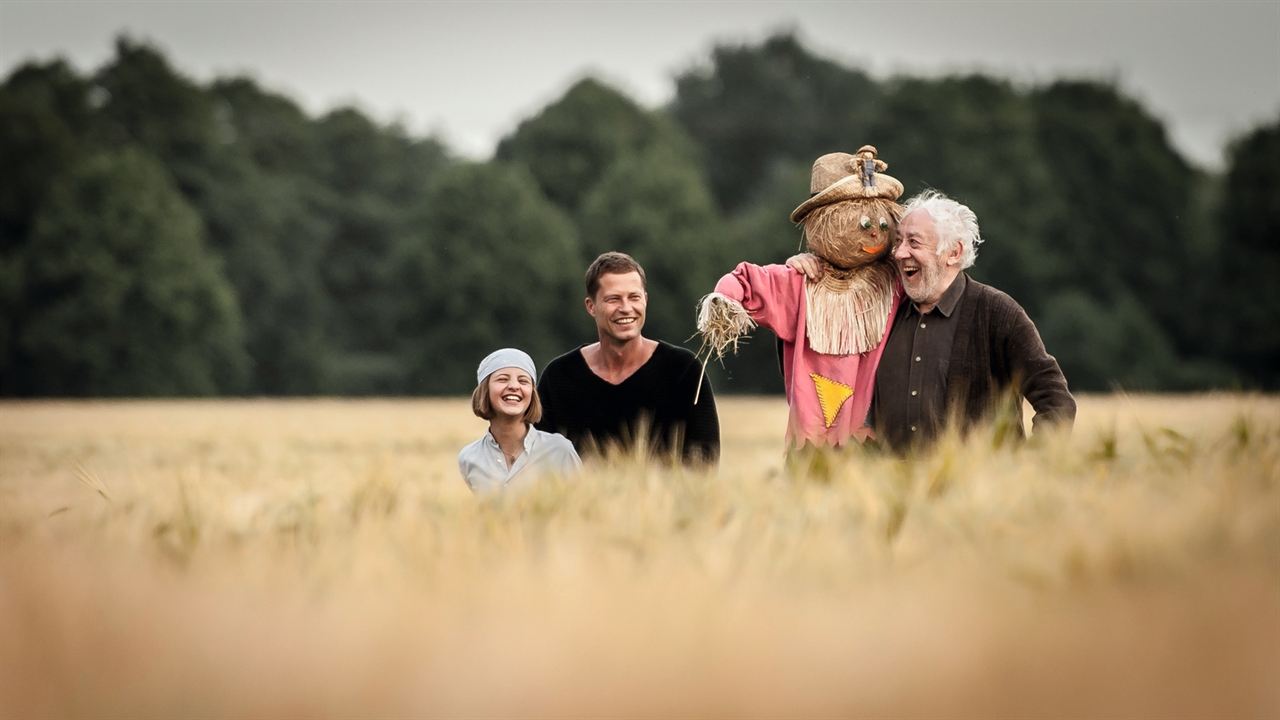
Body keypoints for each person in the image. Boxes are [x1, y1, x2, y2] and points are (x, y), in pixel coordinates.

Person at [789, 189, 1076, 452]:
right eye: (898, 241)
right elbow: (834, 293)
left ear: (954, 253)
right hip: (892, 498)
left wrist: (1029, 469)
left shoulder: (998, 312)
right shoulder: (881, 308)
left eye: (914, 242)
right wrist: (812, 267)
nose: (900, 253)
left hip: (976, 497)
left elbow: (1055, 400)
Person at [695, 146, 902, 448]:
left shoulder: (894, 282)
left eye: (883, 225)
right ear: (823, 222)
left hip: (876, 441)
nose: (874, 235)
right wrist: (724, 302)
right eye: (863, 224)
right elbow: (748, 281)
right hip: (813, 442)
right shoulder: (801, 283)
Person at [536, 252, 720, 464]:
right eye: (613, 299)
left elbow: (705, 461)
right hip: (580, 498)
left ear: (646, 300)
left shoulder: (683, 370)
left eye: (634, 297)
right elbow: (539, 463)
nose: (626, 308)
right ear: (591, 306)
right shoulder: (559, 377)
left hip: (664, 497)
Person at [458, 348, 581, 493]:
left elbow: (584, 508)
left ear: (532, 393)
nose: (514, 386)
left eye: (523, 381)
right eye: (502, 379)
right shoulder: (468, 458)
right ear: (485, 390)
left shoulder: (560, 450)